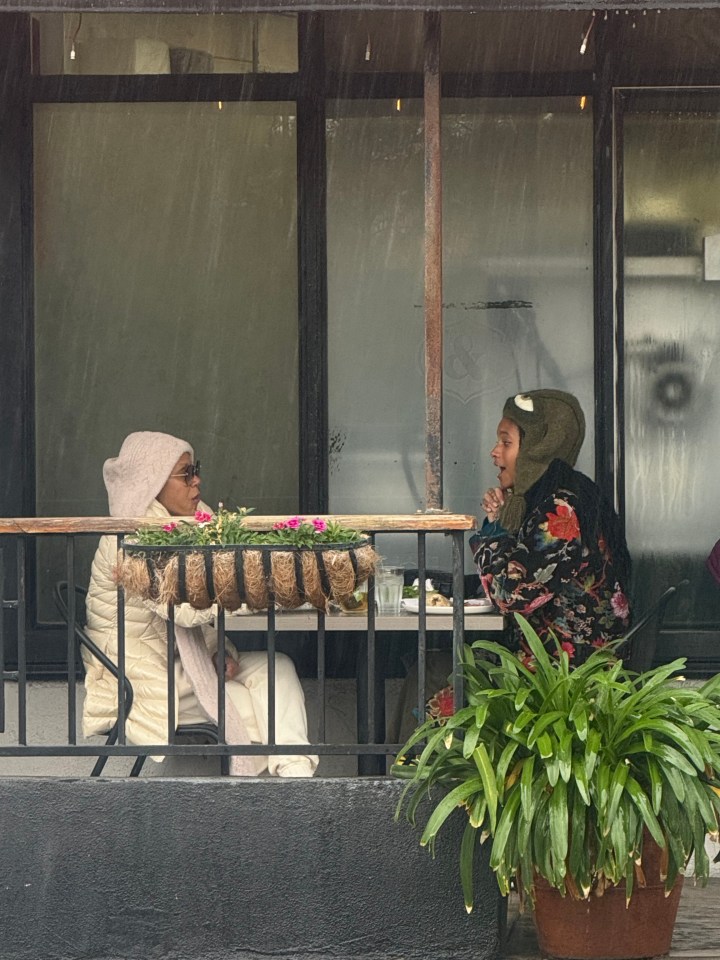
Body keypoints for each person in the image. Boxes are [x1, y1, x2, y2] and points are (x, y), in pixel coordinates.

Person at [83, 431, 318, 777]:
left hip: (179, 662)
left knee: (278, 667)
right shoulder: (132, 540)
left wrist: (219, 650)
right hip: (139, 671)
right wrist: (248, 593)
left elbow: (191, 622)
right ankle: (294, 791)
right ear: (154, 482)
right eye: (186, 473)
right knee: (263, 709)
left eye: (197, 469)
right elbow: (182, 609)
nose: (197, 481)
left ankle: (295, 788)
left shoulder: (184, 528)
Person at [469, 389, 632, 665]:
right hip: (549, 663)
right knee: (437, 671)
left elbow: (510, 597)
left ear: (537, 449)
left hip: (564, 680)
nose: (494, 452)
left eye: (506, 443)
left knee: (435, 692)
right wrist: (502, 519)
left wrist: (496, 529)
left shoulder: (560, 512)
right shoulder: (557, 498)